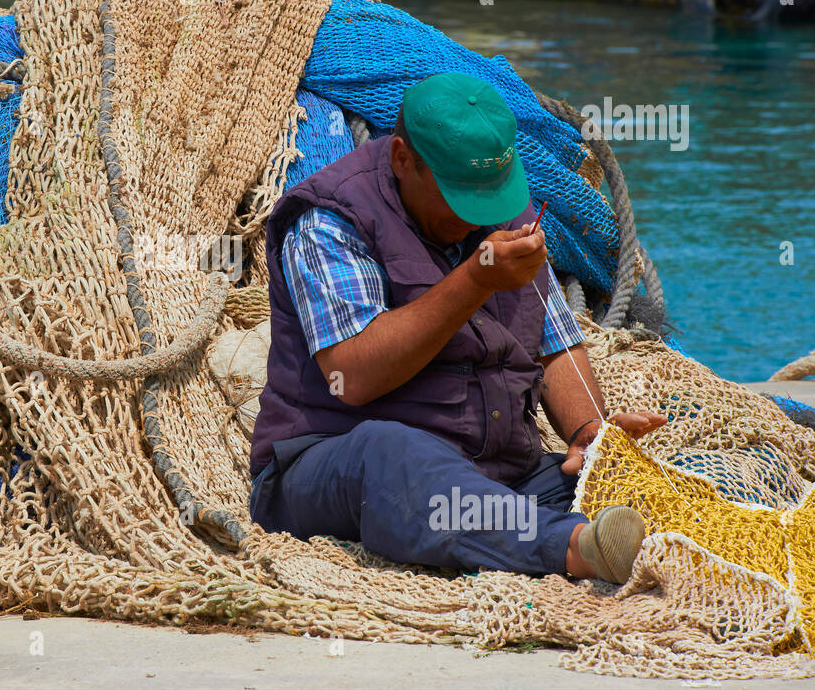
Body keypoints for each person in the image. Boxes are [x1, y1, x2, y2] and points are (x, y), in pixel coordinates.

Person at [249, 71, 666, 582]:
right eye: (459, 196)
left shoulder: (505, 215)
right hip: (338, 469)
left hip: (490, 475)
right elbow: (353, 375)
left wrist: (589, 435)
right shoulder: (331, 219)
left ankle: (582, 534)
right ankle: (573, 546)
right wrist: (474, 280)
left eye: (486, 198)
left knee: (619, 483)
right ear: (403, 158)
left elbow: (556, 342)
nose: (475, 218)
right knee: (393, 453)